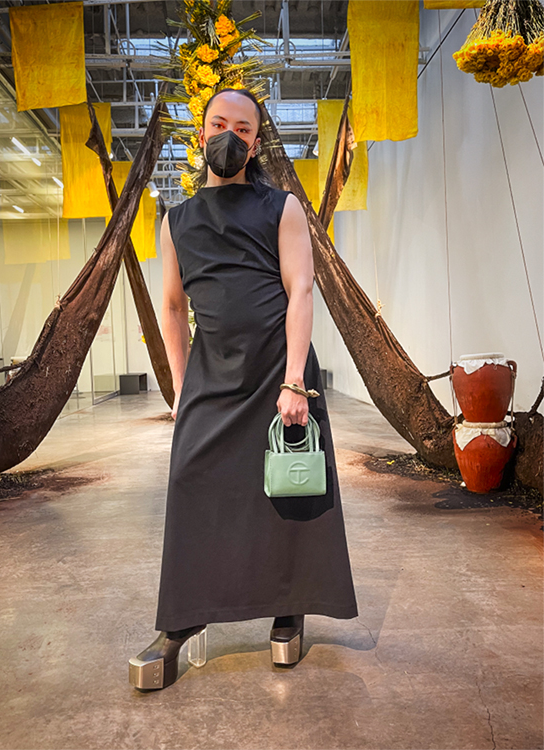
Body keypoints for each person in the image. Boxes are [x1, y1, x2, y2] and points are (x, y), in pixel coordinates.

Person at [129, 88, 358, 691]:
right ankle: (179, 621)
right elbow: (172, 307)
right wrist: (182, 388)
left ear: (255, 143)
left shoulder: (281, 208)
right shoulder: (176, 221)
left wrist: (295, 381)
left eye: (243, 128)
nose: (229, 136)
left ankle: (290, 609)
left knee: (286, 492)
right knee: (192, 486)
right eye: (218, 124)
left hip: (278, 372)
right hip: (212, 375)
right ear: (201, 133)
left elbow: (300, 290)